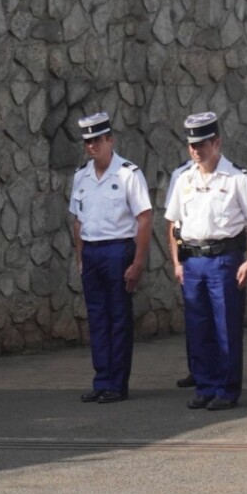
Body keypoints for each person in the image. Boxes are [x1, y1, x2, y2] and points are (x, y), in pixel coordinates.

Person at [165, 112, 247, 411]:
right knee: (198, 328)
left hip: (224, 260)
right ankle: (205, 386)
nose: (197, 150)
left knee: (225, 328)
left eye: (203, 144)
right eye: (192, 145)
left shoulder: (237, 178)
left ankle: (226, 389)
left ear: (217, 143)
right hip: (194, 261)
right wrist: (177, 262)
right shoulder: (183, 179)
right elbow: (173, 223)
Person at [69, 112, 152, 404]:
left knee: (118, 318)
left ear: (110, 140)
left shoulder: (129, 174)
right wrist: (80, 258)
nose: (92, 146)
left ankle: (118, 383)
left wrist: (138, 262)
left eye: (97, 140)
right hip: (91, 252)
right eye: (87, 141)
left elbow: (144, 218)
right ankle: (101, 380)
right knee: (97, 319)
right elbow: (78, 222)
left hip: (118, 250)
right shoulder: (81, 176)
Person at [165, 160, 196, 389]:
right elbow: (174, 223)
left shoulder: (232, 175)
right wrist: (177, 261)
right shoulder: (180, 174)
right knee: (195, 317)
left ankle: (220, 371)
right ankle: (197, 369)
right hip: (189, 255)